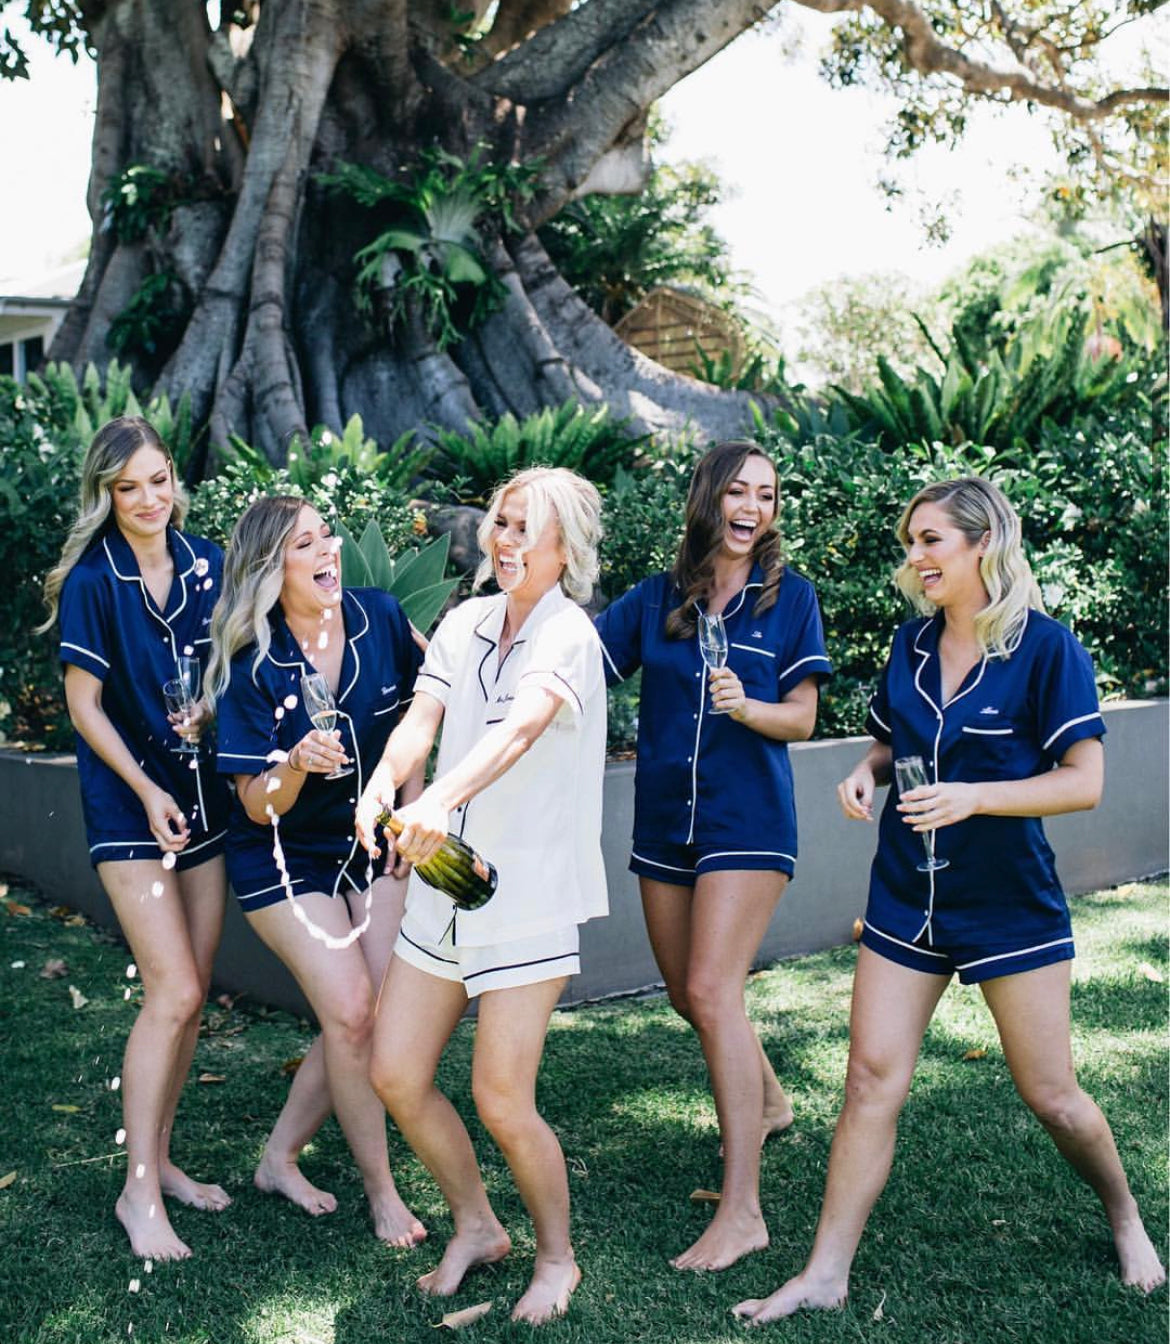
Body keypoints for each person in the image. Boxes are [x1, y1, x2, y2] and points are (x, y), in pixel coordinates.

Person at [733, 476, 1166, 1325]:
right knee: (869, 1080)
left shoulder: (1047, 649)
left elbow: (1084, 782)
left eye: (931, 540)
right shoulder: (912, 643)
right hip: (905, 892)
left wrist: (975, 797)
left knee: (1052, 1095)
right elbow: (890, 739)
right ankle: (824, 1274)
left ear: (982, 543)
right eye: (912, 542)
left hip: (1008, 901)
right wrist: (866, 772)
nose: (916, 557)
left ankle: (1124, 1213)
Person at [355, 466, 607, 1325]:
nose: (505, 540)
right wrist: (383, 785)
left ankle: (557, 1259)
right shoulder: (464, 621)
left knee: (502, 1097)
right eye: (501, 522)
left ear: (565, 548)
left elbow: (519, 730)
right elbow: (420, 721)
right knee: (394, 1072)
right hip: (442, 884)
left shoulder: (569, 634)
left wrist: (434, 801)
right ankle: (477, 1226)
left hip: (527, 896)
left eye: (525, 527)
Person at [594, 440, 831, 1272]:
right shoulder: (656, 599)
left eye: (766, 495)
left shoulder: (791, 598)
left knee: (710, 989)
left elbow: (803, 717)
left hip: (747, 822)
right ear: (708, 499)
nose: (753, 508)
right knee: (684, 995)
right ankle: (768, 1102)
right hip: (665, 822)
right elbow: (578, 665)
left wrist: (749, 707)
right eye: (738, 491)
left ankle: (743, 1213)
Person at [207, 495, 425, 1246]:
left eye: (326, 535)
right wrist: (295, 765)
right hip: (281, 855)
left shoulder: (382, 617)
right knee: (353, 1013)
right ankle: (382, 1192)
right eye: (305, 544)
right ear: (271, 570)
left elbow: (420, 720)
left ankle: (277, 1159)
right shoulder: (252, 664)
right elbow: (256, 804)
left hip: (373, 839)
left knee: (373, 1016)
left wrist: (411, 816)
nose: (328, 549)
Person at [39, 416, 232, 1262]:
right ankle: (138, 1190)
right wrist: (148, 788)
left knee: (194, 994)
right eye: (128, 487)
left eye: (158, 480)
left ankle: (163, 1158)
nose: (148, 499)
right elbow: (83, 707)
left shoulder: (209, 563)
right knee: (174, 991)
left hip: (205, 805)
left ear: (173, 480)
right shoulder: (93, 580)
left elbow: (237, 665)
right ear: (105, 494)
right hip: (129, 807)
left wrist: (215, 708)